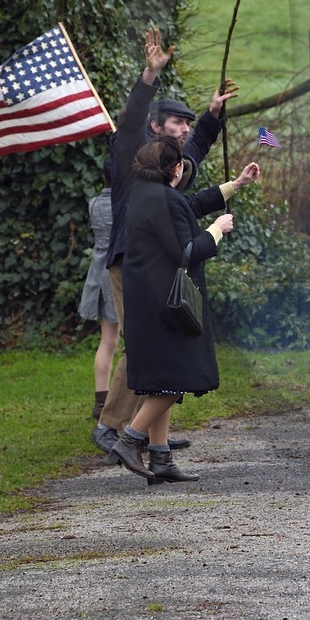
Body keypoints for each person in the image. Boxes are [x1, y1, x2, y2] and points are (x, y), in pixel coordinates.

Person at [92, 28, 239, 458]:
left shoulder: (166, 165)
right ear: (154, 128)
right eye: (178, 124)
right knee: (142, 344)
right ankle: (114, 427)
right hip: (131, 262)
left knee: (154, 343)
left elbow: (192, 156)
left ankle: (153, 436)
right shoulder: (132, 158)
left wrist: (212, 117)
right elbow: (132, 119)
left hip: (159, 264)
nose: (183, 133)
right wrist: (149, 75)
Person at [109, 136, 260, 484]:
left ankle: (160, 459)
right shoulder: (161, 200)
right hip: (167, 307)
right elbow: (188, 251)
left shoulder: (145, 195)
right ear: (176, 169)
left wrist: (234, 185)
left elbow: (186, 204)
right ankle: (130, 440)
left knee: (161, 383)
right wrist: (216, 230)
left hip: (148, 303)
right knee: (178, 379)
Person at [78, 186, 117, 422]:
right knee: (130, 343)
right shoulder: (125, 202)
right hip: (119, 271)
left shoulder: (94, 203)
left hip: (99, 271)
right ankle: (126, 403)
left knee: (108, 340)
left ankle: (101, 401)